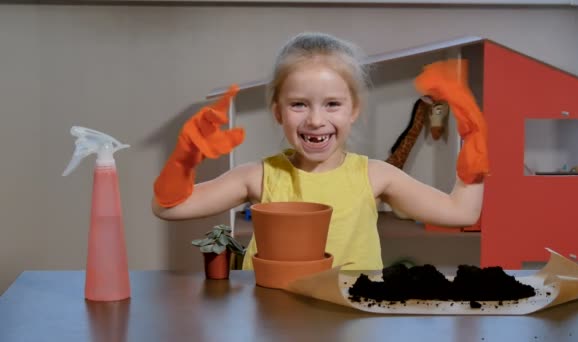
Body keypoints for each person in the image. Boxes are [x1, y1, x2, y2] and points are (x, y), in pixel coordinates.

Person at [152, 32, 487, 271]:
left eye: (332, 104)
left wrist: (474, 149)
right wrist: (182, 161)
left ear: (353, 109)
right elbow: (170, 208)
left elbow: (461, 213)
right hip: (269, 318)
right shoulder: (258, 176)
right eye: (299, 104)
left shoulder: (375, 175)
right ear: (278, 111)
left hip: (351, 322)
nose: (315, 120)